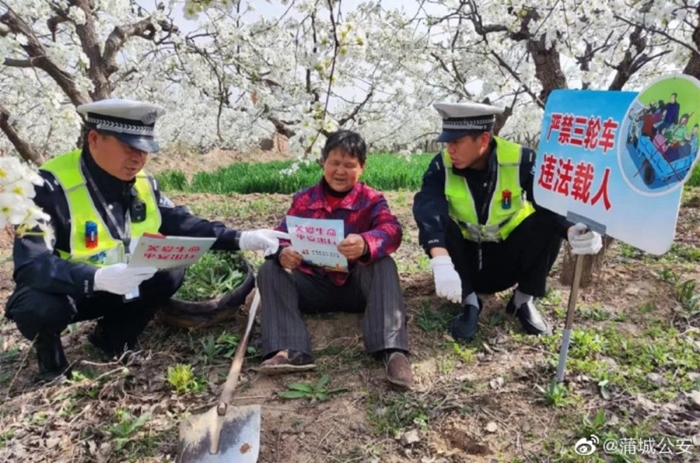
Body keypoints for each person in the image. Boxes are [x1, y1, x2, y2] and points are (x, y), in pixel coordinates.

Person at [4, 98, 288, 384]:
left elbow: (181, 223)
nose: (138, 159)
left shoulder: (143, 184)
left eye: (144, 150)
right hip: (73, 290)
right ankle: (51, 360)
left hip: (125, 282)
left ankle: (114, 337)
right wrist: (97, 277)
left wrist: (241, 238)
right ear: (94, 139)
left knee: (170, 271)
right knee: (37, 305)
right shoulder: (46, 188)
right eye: (129, 148)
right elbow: (32, 264)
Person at [413, 102, 603, 342]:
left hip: (508, 258)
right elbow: (428, 206)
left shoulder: (521, 160)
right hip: (465, 264)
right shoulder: (442, 165)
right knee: (440, 224)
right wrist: (440, 261)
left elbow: (550, 204)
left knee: (546, 221)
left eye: (456, 142)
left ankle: (523, 299)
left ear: (483, 139)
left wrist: (572, 228)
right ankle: (469, 302)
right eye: (447, 142)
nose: (449, 149)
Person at [256, 130, 413, 389]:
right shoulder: (304, 200)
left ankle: (392, 349)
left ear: (362, 167)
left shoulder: (371, 200)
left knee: (383, 263)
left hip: (356, 287)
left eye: (349, 165)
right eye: (334, 163)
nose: (340, 171)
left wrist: (365, 243)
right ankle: (289, 348)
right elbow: (280, 235)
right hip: (313, 284)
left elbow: (391, 229)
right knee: (270, 269)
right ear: (323, 162)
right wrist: (284, 252)